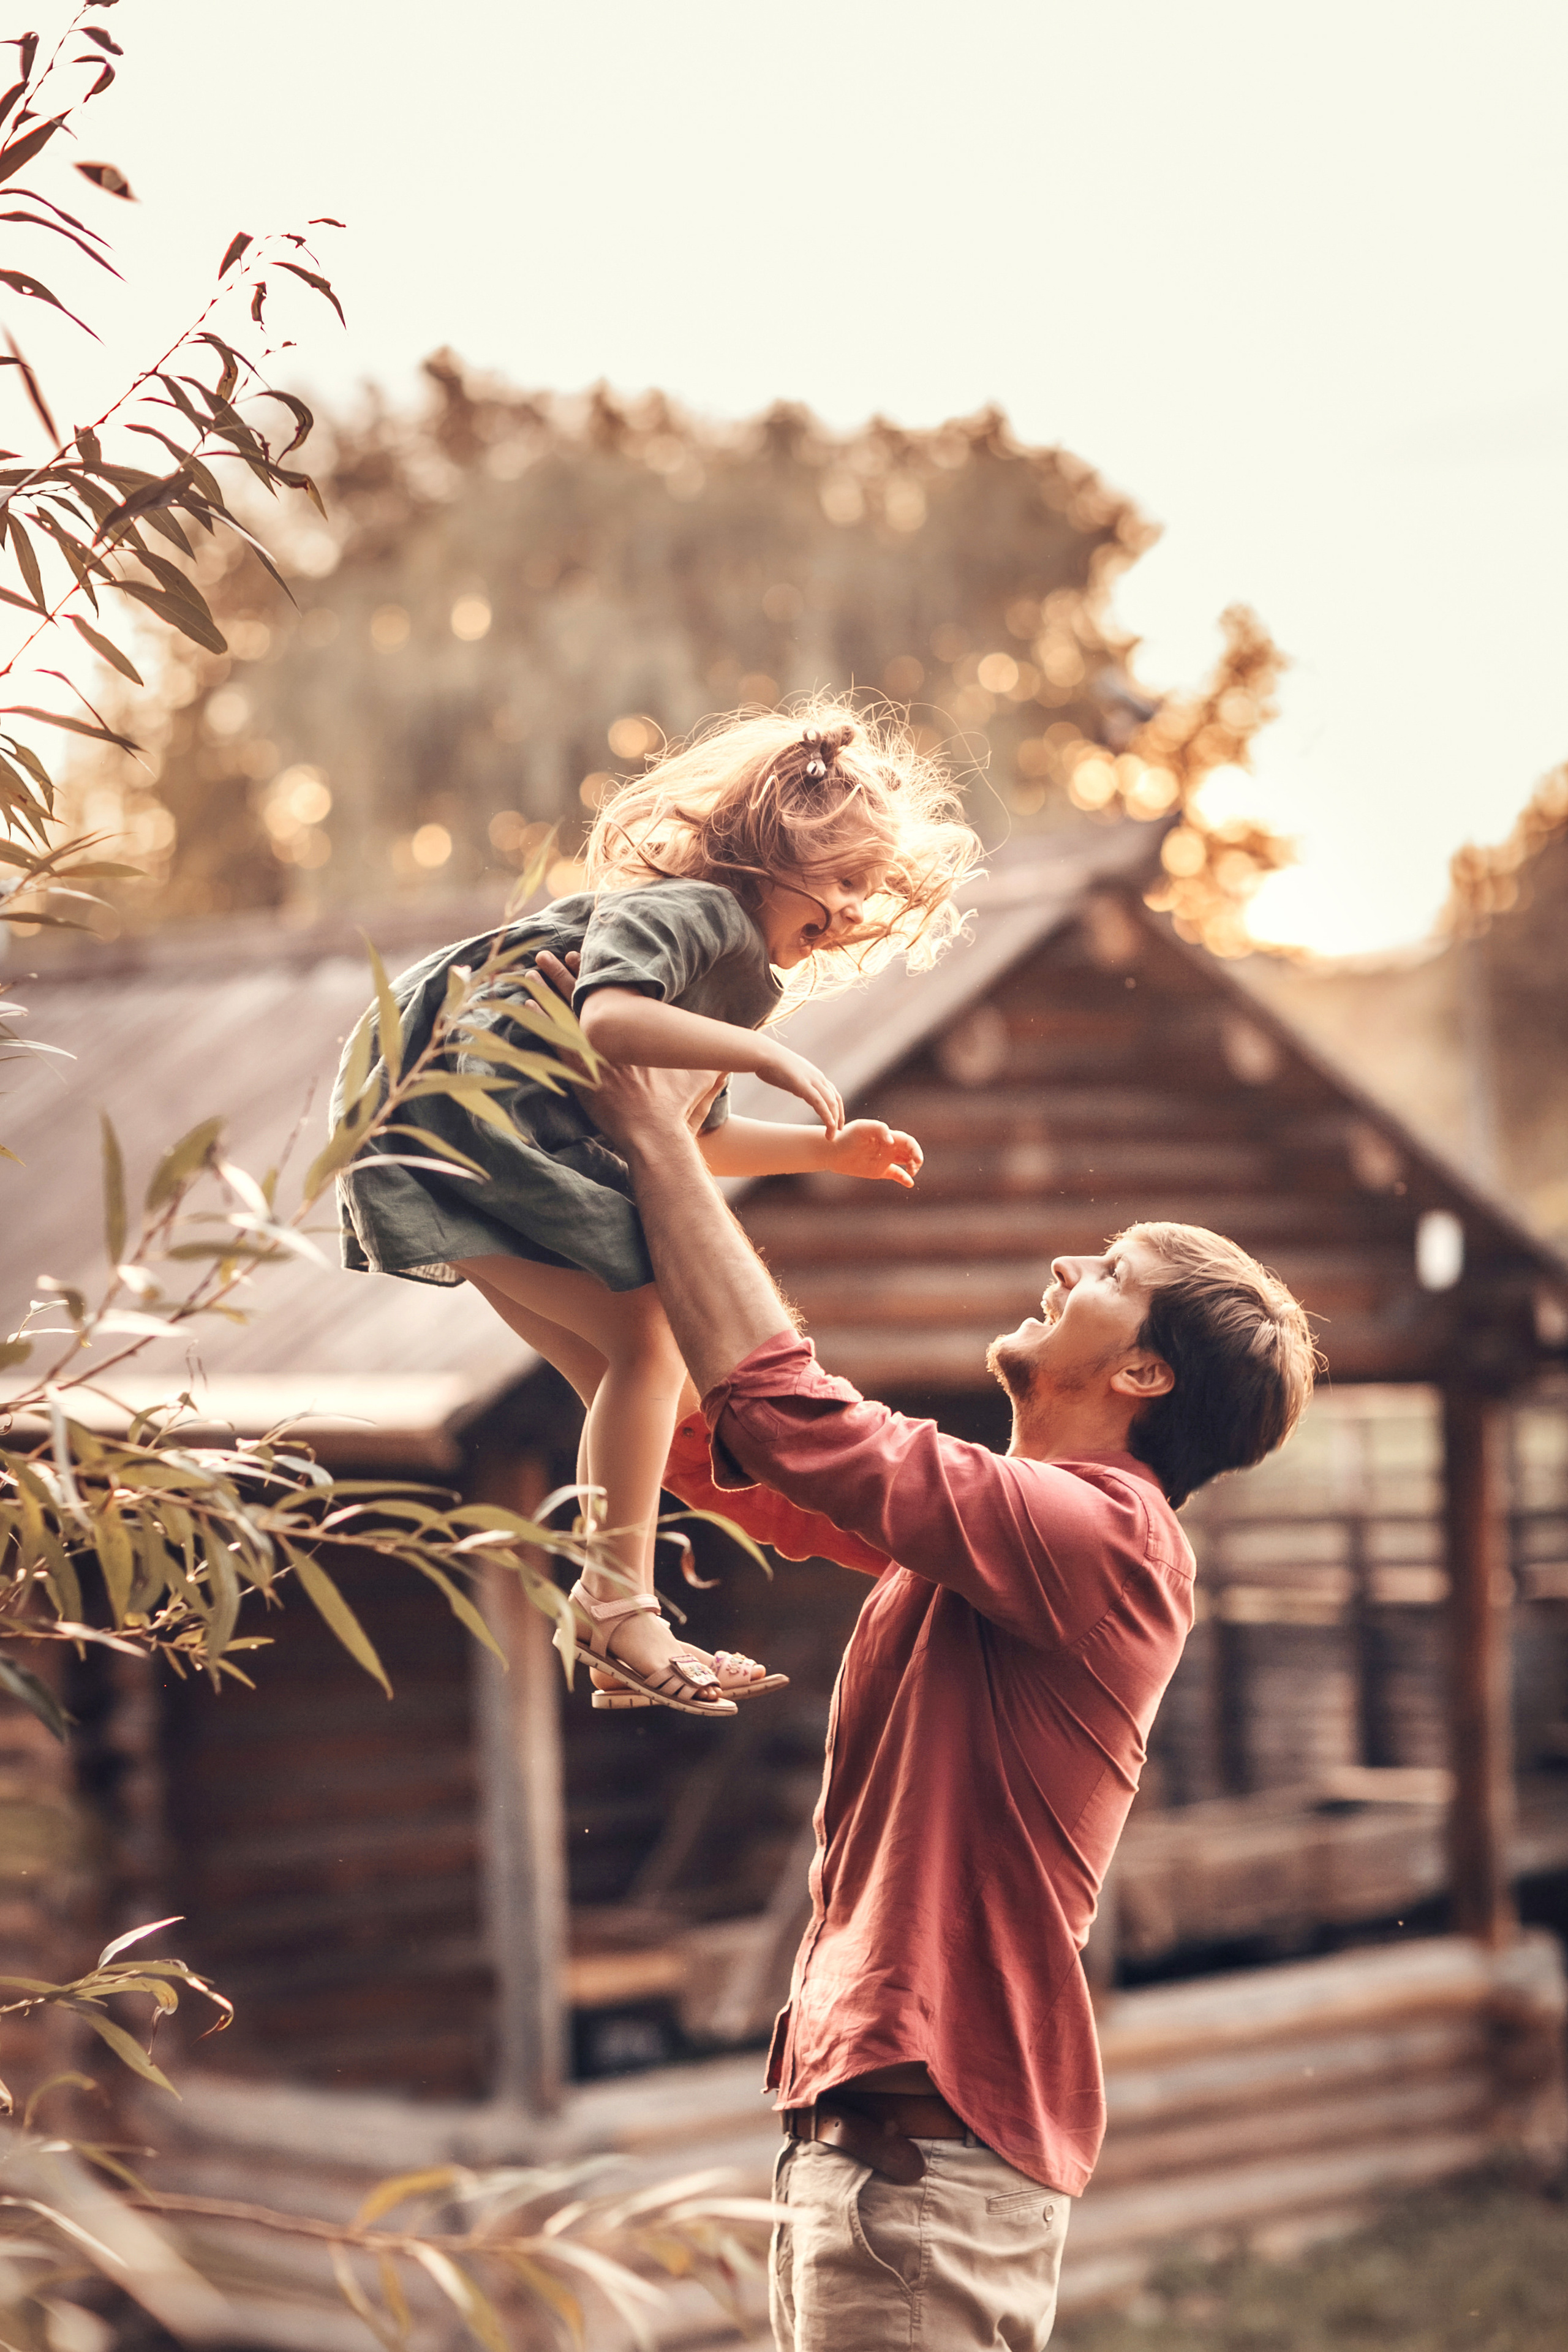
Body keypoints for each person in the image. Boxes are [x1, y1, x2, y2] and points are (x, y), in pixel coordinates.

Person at [568, 1047, 1316, 2352]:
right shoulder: (1008, 1539)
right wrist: (557, 1232)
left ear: (1145, 1376)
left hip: (923, 2174)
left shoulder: (1108, 1540)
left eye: (1113, 1274)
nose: (1066, 1269)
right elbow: (716, 1443)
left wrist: (662, 1137)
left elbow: (799, 1423)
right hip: (880, 2165)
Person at [334, 703, 979, 1716]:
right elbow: (608, 1020)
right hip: (468, 1129)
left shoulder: (728, 972)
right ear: (777, 849)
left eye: (869, 891)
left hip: (461, 1148)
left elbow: (693, 1137)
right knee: (652, 1340)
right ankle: (615, 1605)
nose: (853, 911)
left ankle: (612, 1633)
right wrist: (764, 1055)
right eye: (845, 881)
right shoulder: (691, 914)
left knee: (647, 1383)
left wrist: (824, 1151)